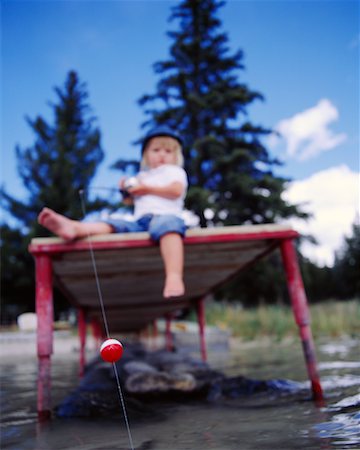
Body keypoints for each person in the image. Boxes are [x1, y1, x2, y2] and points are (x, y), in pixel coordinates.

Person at [38, 126, 188, 298]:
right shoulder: (141, 176)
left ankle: (174, 276)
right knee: (114, 223)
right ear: (146, 155)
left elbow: (175, 191)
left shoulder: (174, 172)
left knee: (169, 228)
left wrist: (145, 188)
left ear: (176, 155)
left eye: (168, 151)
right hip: (139, 221)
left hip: (165, 217)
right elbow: (129, 200)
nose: (162, 154)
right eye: (156, 150)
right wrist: (125, 190)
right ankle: (75, 228)